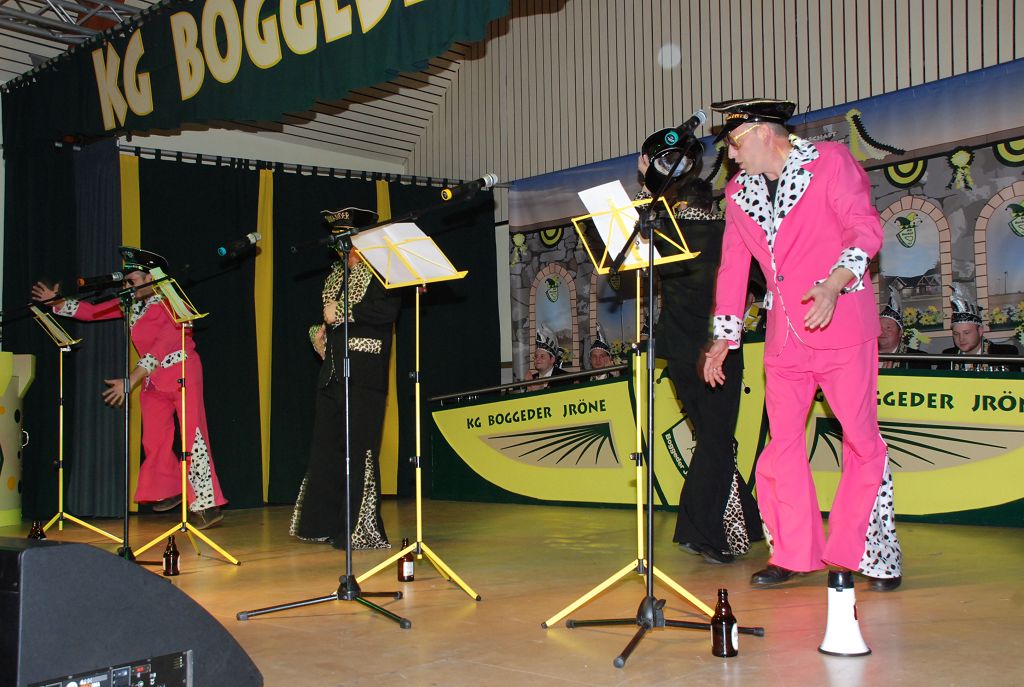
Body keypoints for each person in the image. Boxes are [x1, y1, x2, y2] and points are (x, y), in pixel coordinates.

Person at [702, 98, 902, 591]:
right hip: (784, 337)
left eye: (734, 142)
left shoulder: (830, 162)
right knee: (782, 447)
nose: (730, 154)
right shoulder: (738, 192)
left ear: (763, 132)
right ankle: (791, 552)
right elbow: (733, 266)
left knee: (861, 442)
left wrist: (834, 284)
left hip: (841, 326)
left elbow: (864, 229)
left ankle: (868, 554)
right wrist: (724, 337)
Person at [31, 247, 227, 529]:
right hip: (152, 379)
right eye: (125, 281)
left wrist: (130, 380)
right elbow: (93, 311)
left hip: (181, 372)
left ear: (150, 278)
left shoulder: (173, 302)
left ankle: (207, 505)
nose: (126, 286)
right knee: (154, 440)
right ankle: (171, 488)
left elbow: (160, 346)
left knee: (193, 438)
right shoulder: (132, 304)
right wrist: (58, 302)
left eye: (132, 281)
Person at [634, 155, 762, 565]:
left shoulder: (667, 236)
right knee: (716, 440)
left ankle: (746, 521)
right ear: (712, 203)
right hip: (718, 351)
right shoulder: (728, 234)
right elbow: (758, 285)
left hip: (677, 352)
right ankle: (704, 534)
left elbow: (631, 244)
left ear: (679, 203)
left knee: (710, 437)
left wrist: (647, 182)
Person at [291, 208, 401, 549]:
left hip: (364, 372)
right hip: (332, 371)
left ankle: (356, 529)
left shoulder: (383, 270)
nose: (342, 247)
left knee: (359, 448)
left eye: (347, 239)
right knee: (326, 447)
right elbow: (328, 320)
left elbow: (386, 312)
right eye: (338, 240)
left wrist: (342, 311)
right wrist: (318, 333)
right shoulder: (335, 277)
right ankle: (321, 523)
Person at [942, 284, 1021, 372]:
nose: (961, 339)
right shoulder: (947, 357)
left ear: (980, 331)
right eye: (956, 334)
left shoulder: (1006, 354)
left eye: (966, 333)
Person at [878, 286, 931, 370]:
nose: (882, 331)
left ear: (900, 332)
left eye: (888, 327)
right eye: (879, 327)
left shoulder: (919, 360)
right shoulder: (864, 357)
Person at [527, 324, 569, 390]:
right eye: (536, 356)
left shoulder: (565, 378)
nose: (537, 359)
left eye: (542, 356)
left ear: (552, 359)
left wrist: (541, 390)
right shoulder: (531, 380)